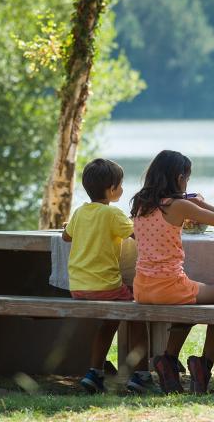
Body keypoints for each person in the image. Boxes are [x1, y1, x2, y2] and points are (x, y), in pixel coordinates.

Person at [131, 150, 214, 394]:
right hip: (169, 286)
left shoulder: (140, 203)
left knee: (190, 302)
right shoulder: (179, 205)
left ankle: (168, 358)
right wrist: (201, 203)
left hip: (143, 287)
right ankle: (204, 364)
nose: (187, 182)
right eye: (186, 178)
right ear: (179, 179)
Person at [63, 158, 157, 394]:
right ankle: (142, 375)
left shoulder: (79, 213)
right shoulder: (113, 214)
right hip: (105, 286)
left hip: (78, 287)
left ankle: (95, 372)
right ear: (111, 189)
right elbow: (139, 235)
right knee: (137, 313)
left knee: (112, 319)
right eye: (120, 185)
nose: (123, 189)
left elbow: (66, 237)